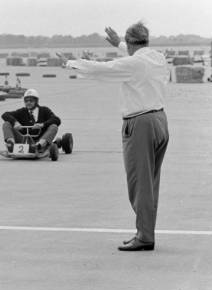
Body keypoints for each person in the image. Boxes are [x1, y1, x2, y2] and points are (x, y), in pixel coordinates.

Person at [58, 22, 169, 251]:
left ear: (130, 43)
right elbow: (134, 58)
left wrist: (70, 63)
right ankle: (144, 231)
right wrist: (119, 43)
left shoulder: (134, 63)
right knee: (150, 183)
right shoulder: (157, 57)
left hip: (140, 125)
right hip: (159, 121)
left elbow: (104, 69)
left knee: (139, 185)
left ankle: (145, 236)